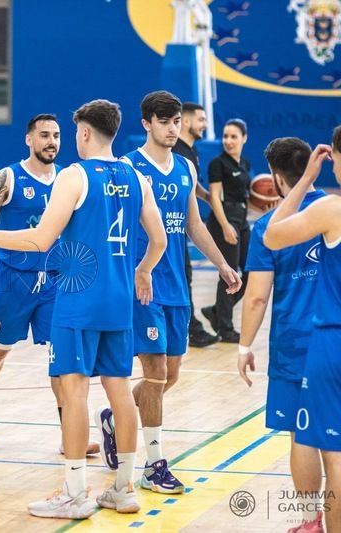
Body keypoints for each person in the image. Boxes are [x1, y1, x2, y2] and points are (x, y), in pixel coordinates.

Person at [0, 100, 167, 519]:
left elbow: (42, 239)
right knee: (119, 389)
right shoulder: (138, 177)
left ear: (83, 132)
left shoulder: (75, 175)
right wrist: (142, 272)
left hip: (78, 299)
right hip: (120, 301)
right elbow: (159, 241)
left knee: (76, 389)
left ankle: (75, 492)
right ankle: (124, 488)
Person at [100, 91, 241, 495]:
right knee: (157, 373)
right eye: (164, 121)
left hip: (176, 285)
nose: (172, 128)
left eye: (176, 121)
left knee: (169, 375)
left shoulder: (184, 167)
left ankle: (115, 416)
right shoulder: (128, 168)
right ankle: (154, 464)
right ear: (146, 124)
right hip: (141, 285)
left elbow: (195, 225)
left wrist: (222, 264)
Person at [0, 113, 99, 455]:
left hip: (55, 282)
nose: (51, 141)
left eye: (56, 135)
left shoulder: (70, 179)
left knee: (62, 355)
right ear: (29, 139)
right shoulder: (9, 176)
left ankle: (71, 434)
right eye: (44, 135)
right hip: (13, 281)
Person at [239, 137, 325, 532]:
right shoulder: (333, 209)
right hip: (335, 339)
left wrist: (243, 346)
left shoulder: (267, 230)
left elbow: (256, 298)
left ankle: (310, 521)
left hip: (294, 344)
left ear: (275, 178)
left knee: (302, 433)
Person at [264, 129, 341, 533]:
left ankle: (313, 523)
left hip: (332, 339)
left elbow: (272, 235)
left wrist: (305, 182)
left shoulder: (332, 208)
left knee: (335, 454)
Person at [172, 102, 218, 348]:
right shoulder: (177, 152)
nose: (205, 125)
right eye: (201, 119)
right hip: (172, 228)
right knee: (181, 277)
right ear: (186, 121)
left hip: (182, 227)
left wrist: (208, 197)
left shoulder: (191, 152)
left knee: (185, 276)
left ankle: (191, 326)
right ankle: (191, 328)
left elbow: (190, 185)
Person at [203, 118, 252, 342]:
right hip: (224, 219)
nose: (228, 141)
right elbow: (214, 196)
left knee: (251, 271)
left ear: (244, 138)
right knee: (230, 275)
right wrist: (225, 226)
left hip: (242, 219)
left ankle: (217, 311)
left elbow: (246, 197)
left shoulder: (245, 164)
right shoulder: (217, 163)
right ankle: (225, 327)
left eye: (233, 136)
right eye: (225, 136)